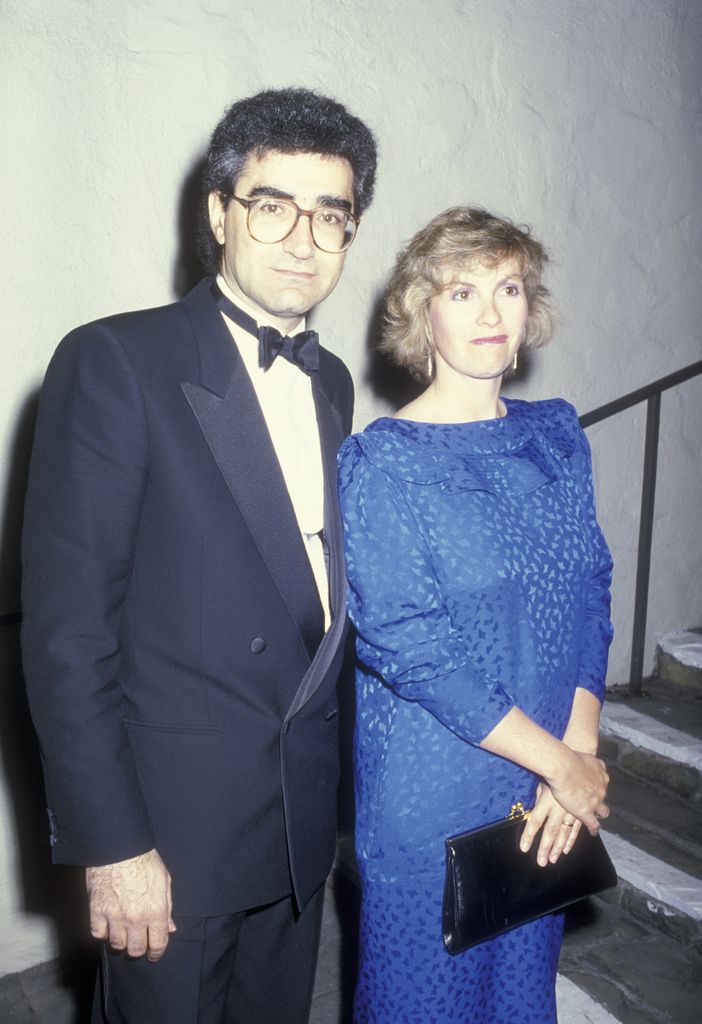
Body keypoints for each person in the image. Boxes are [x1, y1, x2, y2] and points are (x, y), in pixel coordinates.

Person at [21, 87, 377, 1024]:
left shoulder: (333, 381)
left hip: (295, 826)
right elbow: (69, 638)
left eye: (330, 214)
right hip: (171, 839)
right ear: (219, 213)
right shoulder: (113, 362)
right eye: (273, 205)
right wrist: (114, 845)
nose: (303, 238)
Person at [337, 207, 613, 1022]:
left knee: (521, 1003)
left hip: (545, 797)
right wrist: (561, 765)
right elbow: (411, 648)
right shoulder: (383, 463)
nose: (492, 313)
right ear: (424, 314)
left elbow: (592, 588)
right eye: (463, 291)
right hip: (435, 797)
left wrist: (579, 749)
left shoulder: (556, 435)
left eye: (509, 287)